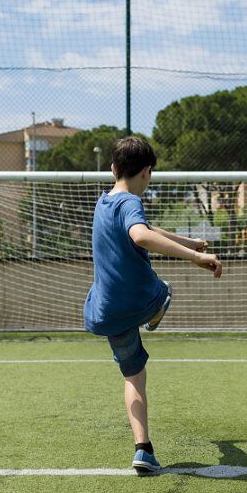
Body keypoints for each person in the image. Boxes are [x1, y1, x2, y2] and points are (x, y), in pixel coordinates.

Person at [83, 136, 223, 475]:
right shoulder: (132, 201)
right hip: (138, 298)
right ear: (147, 172)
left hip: (108, 311)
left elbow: (144, 227)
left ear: (113, 168)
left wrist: (186, 239)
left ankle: (142, 449)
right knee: (162, 290)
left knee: (134, 376)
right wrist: (195, 256)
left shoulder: (105, 202)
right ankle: (157, 307)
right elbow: (141, 235)